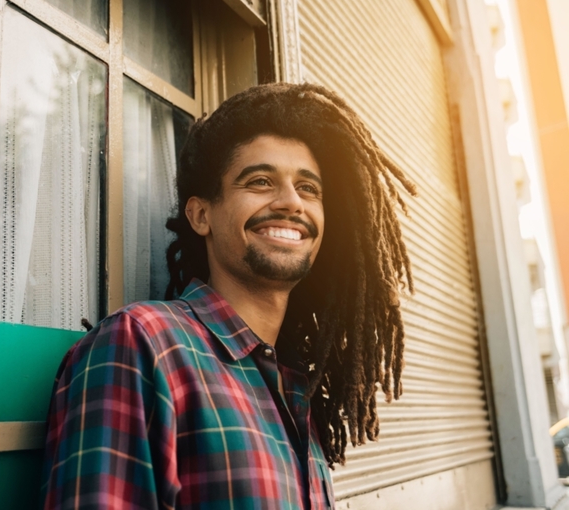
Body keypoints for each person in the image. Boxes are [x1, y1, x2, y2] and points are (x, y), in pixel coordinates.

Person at [39, 82, 417, 509]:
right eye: (260, 181)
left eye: (309, 188)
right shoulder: (142, 346)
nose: (292, 202)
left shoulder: (295, 386)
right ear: (202, 215)